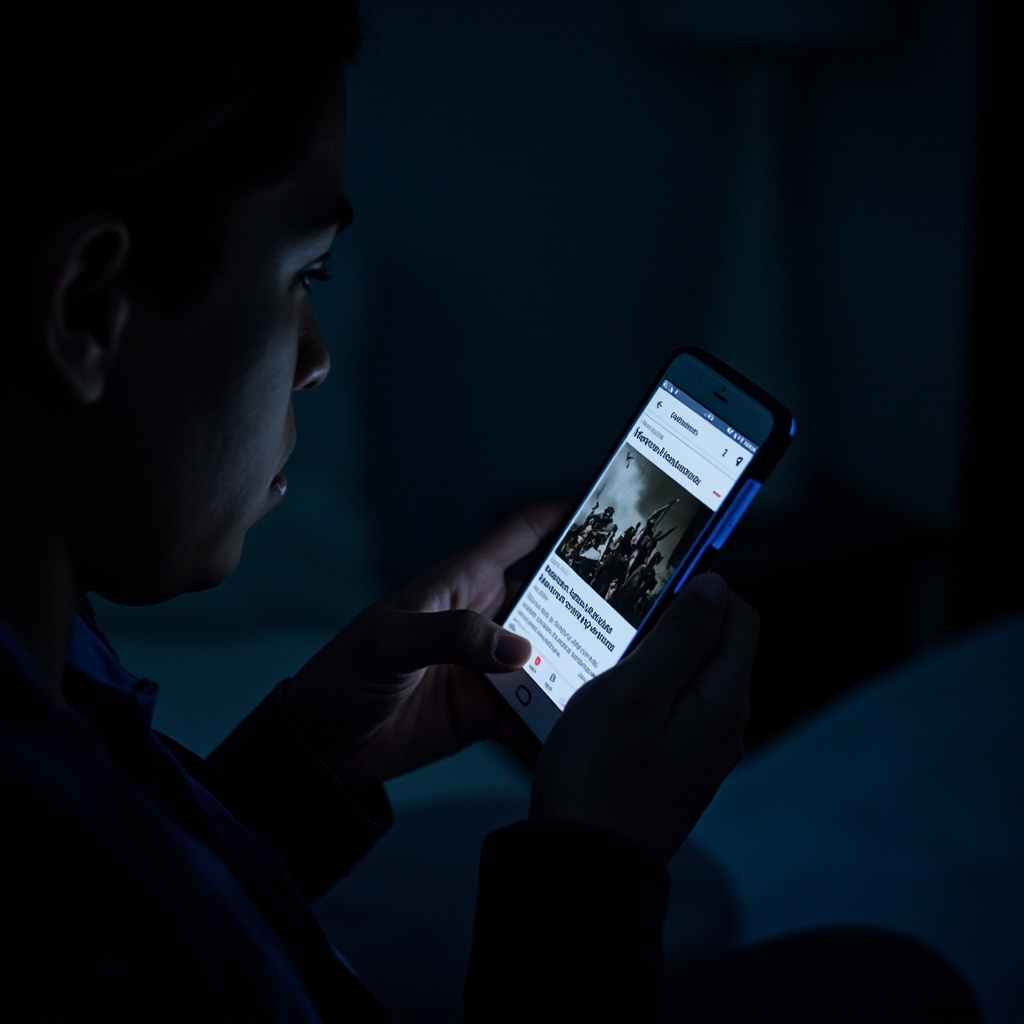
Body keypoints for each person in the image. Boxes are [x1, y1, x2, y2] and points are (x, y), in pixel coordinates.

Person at [0, 6, 981, 1023]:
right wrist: (591, 862)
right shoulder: (44, 906)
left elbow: (174, 890)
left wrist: (316, 764)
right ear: (86, 312)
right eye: (303, 274)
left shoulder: (53, 665)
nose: (318, 357)